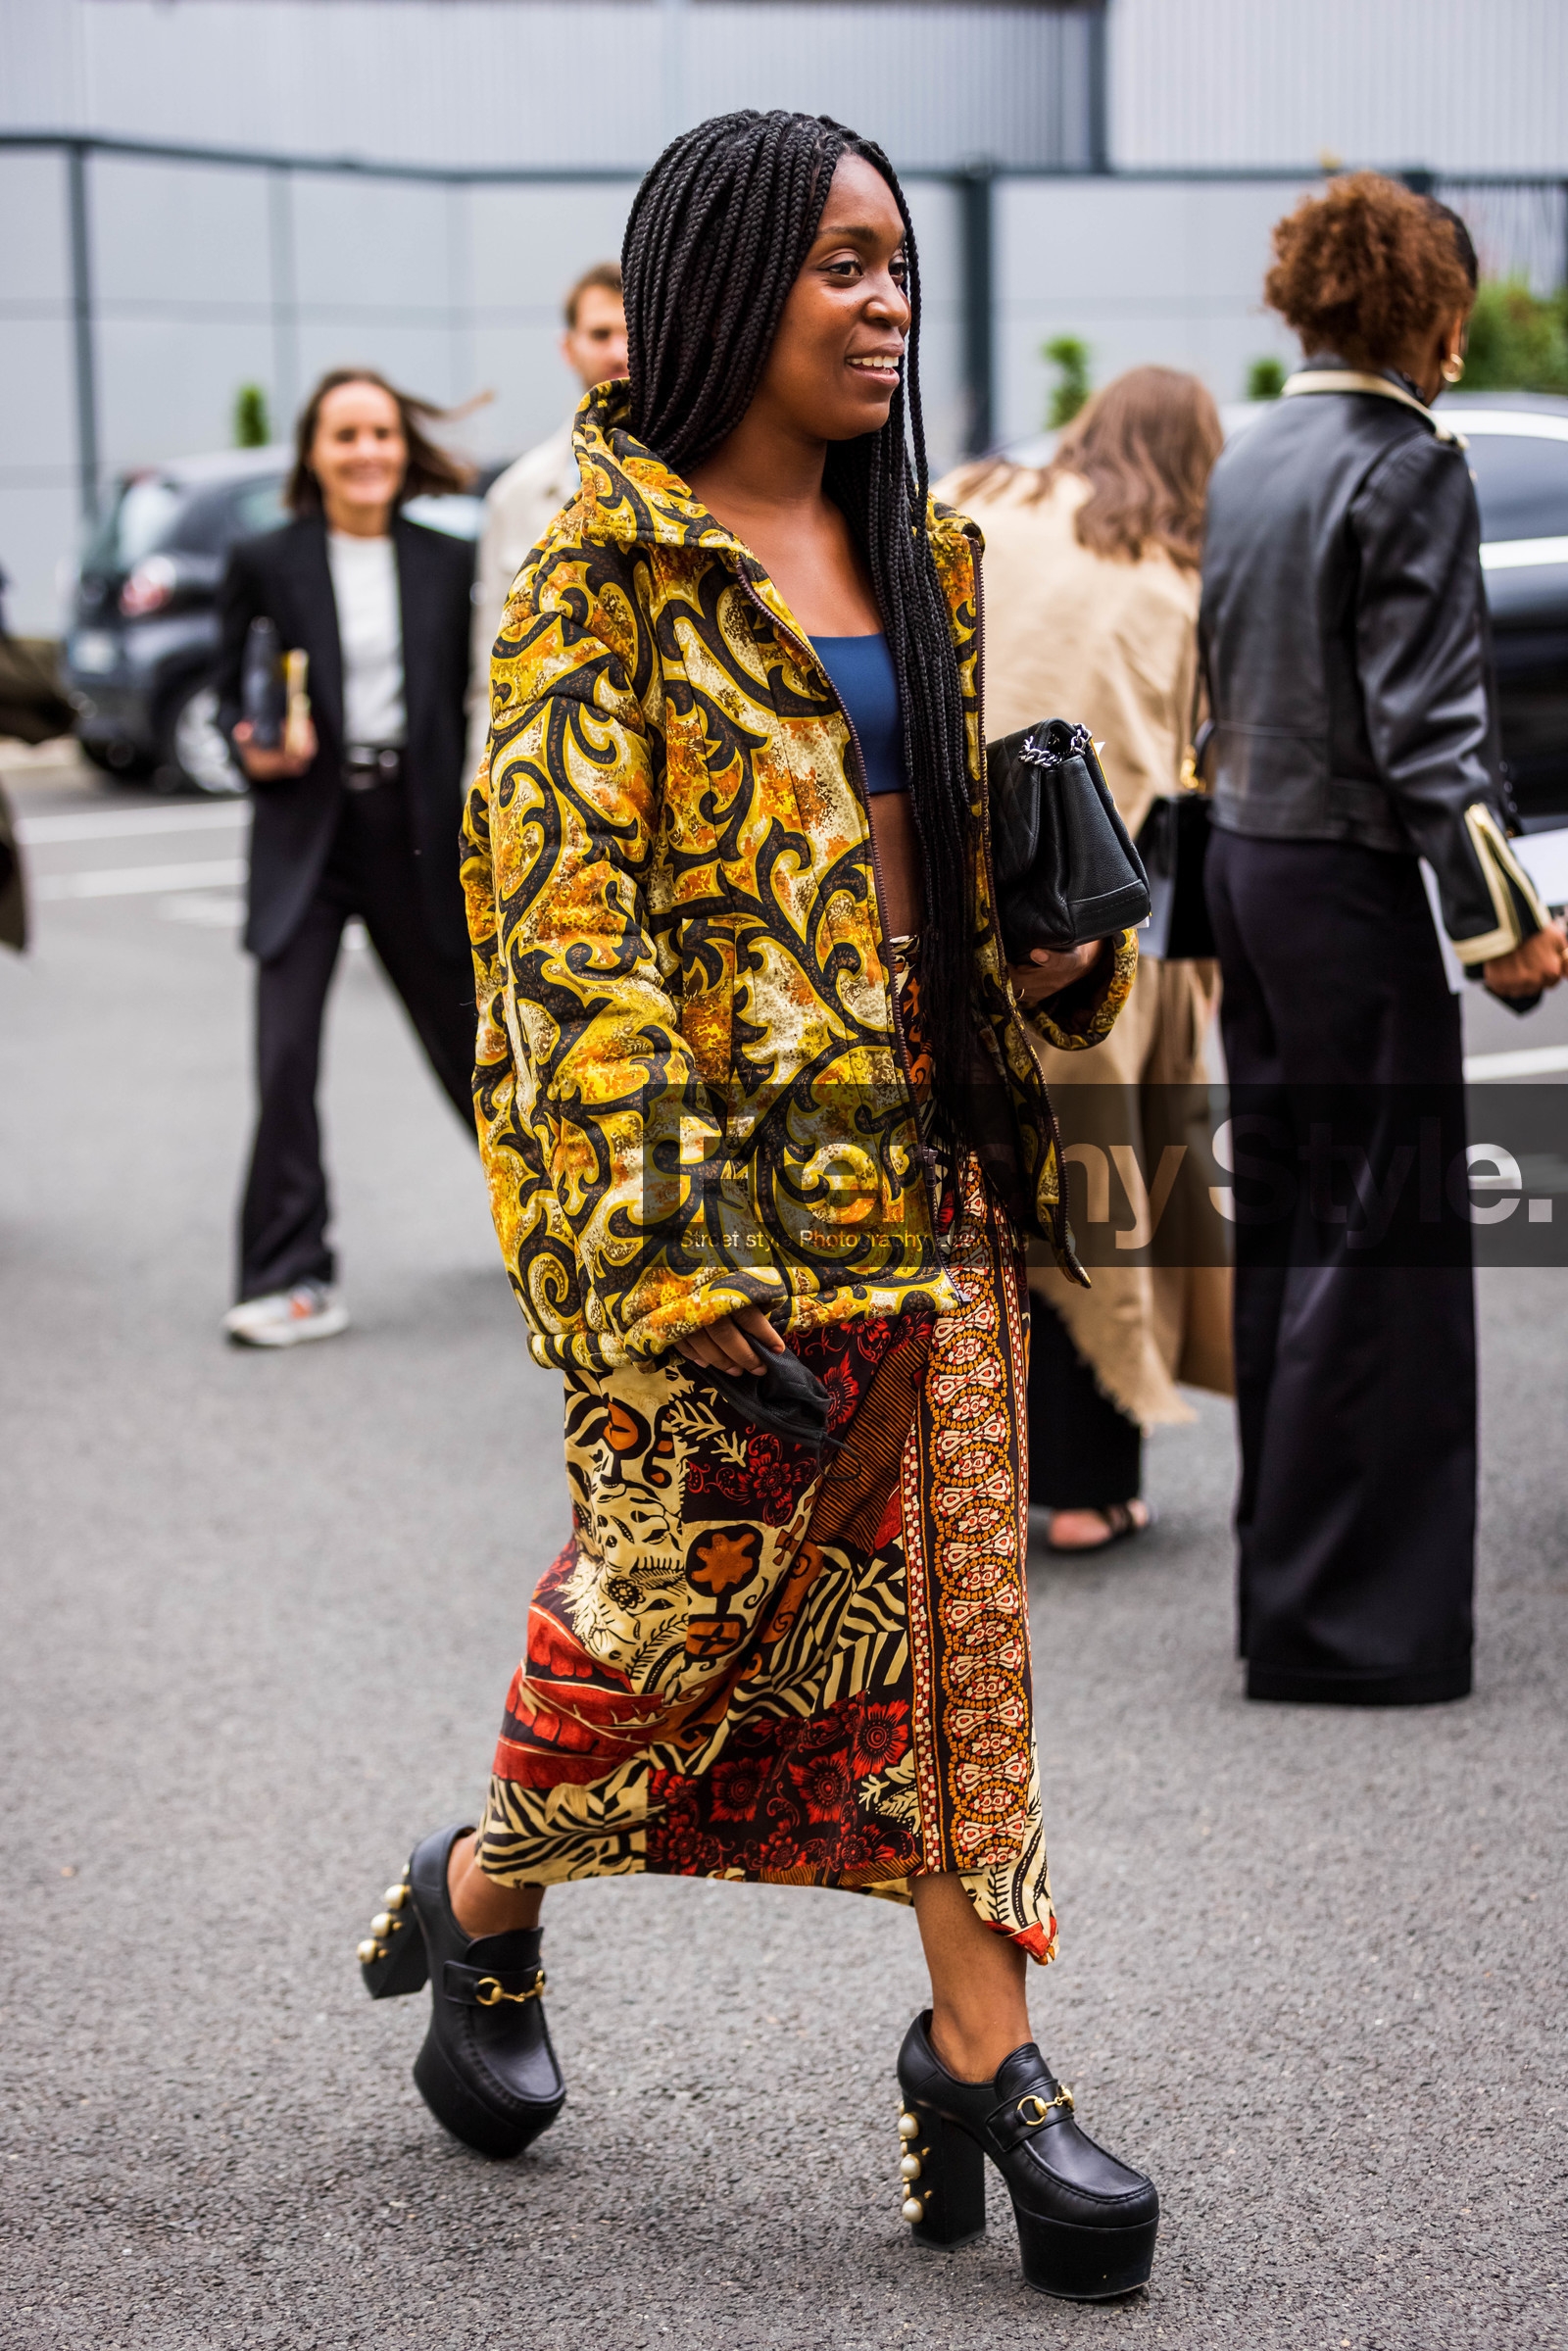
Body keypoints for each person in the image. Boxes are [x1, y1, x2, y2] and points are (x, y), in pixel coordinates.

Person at [356, 111, 1160, 2304]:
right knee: (664, 1628)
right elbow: (560, 934)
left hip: (936, 1165)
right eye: (838, 263)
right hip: (714, 1196)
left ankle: (986, 2050)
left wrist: (1050, 949)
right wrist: (672, 1242)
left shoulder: (931, 551)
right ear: (721, 278)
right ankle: (484, 1891)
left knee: (954, 1650)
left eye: (898, 264)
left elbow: (950, 901)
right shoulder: (595, 569)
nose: (884, 300)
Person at [1200, 174, 1568, 1703]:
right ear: (1423, 305)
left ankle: (1283, 1590)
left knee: (1288, 1221)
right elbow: (1433, 732)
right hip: (1343, 880)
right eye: (1458, 312)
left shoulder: (1256, 445)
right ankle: (1352, 1627)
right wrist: (1506, 929)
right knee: (1383, 1238)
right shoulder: (1410, 461)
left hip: (1242, 861)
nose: (1463, 346)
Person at [941, 368, 1231, 1554]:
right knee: (1092, 1197)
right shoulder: (1173, 580)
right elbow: (1191, 773)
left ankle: (967, 1469)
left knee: (970, 1192)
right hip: (1091, 929)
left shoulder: (973, 499)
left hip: (937, 899)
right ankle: (1082, 1489)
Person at [214, 368, 478, 1347]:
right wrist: (251, 737)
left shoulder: (451, 562)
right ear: (312, 454)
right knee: (284, 1056)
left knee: (475, 1048)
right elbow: (223, 687)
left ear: (401, 447)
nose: (366, 451)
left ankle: (570, 1235)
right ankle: (288, 1275)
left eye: (380, 433)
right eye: (344, 436)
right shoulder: (265, 557)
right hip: (305, 828)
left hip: (415, 826)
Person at [466, 263, 628, 774]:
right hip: (554, 781)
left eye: (633, 330)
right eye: (601, 333)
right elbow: (488, 673)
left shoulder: (713, 476)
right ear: (569, 347)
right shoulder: (516, 495)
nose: (619, 351)